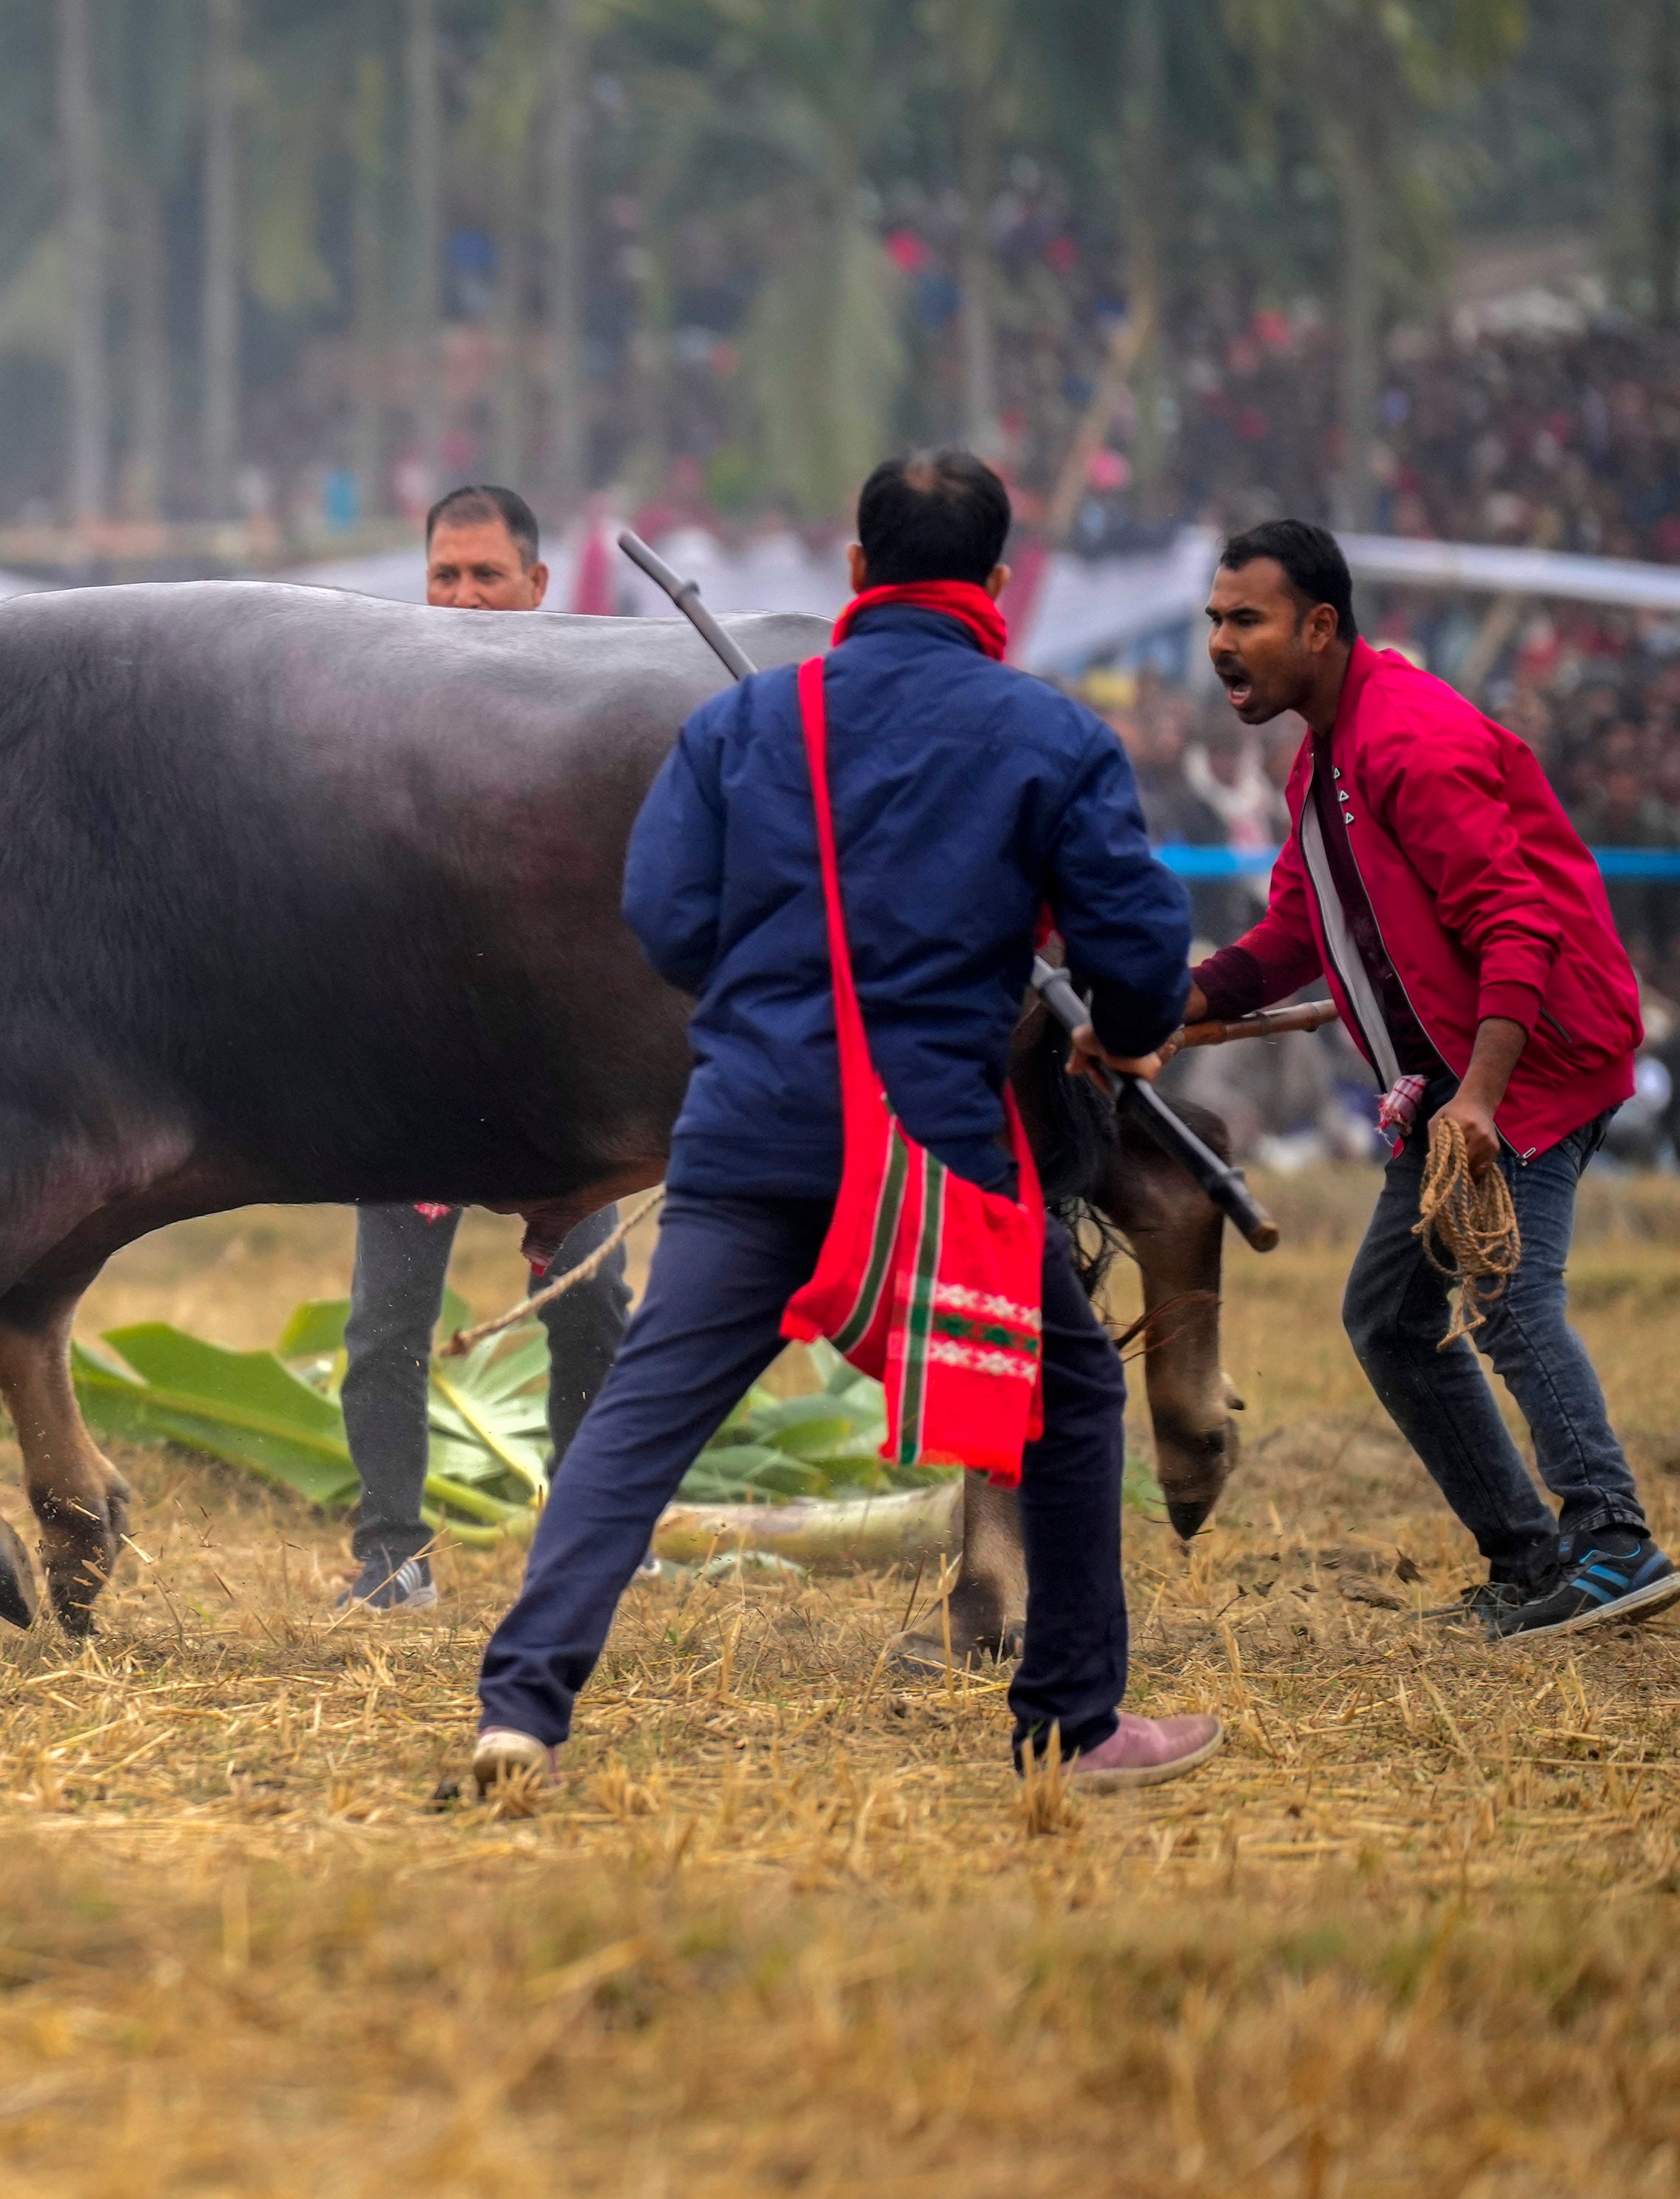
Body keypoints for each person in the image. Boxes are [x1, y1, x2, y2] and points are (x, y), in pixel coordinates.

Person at [468, 451, 1217, 1800]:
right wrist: (1120, 1015)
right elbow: (1139, 946)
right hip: (938, 1151)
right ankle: (1071, 1724)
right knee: (1072, 1396)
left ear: (858, 571)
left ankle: (521, 1710)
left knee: (643, 1416)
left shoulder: (748, 725)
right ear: (996, 582)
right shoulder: (1049, 734)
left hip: (749, 1125)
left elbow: (664, 916)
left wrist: (771, 1000)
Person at [1184, 519, 1668, 1638]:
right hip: (1457, 1086)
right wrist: (1187, 1003)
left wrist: (1482, 1103)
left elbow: (1516, 922)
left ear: (1318, 625)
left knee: (1504, 1296)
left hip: (1527, 1066)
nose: (1221, 641)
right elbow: (1297, 933)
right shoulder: (1322, 754)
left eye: (1244, 619)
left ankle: (1615, 1542)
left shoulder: (1408, 742)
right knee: (1392, 1317)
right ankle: (1533, 1556)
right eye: (1214, 619)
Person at [340, 484, 630, 1611]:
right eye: (444, 576)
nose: (462, 597)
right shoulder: (376, 721)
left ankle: (595, 1533)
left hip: (561, 1079)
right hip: (413, 1073)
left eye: (485, 577)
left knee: (593, 1301)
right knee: (386, 1326)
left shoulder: (598, 717)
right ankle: (389, 1555)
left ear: (538, 587)